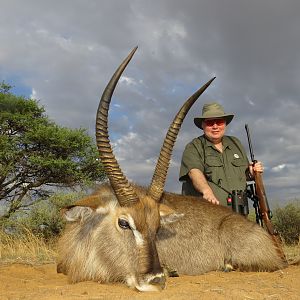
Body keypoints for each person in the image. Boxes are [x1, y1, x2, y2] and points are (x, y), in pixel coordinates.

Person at [179, 102, 263, 206]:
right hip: (208, 214)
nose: (215, 126)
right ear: (202, 125)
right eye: (210, 122)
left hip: (239, 213)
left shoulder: (235, 143)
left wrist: (251, 172)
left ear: (225, 123)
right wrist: (207, 192)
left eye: (219, 122)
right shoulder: (193, 146)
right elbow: (194, 172)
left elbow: (242, 176)